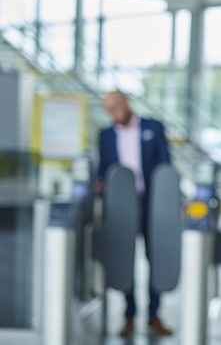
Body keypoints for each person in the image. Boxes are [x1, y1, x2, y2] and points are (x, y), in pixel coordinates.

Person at [95, 90, 173, 337]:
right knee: (124, 259)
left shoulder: (154, 128)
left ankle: (154, 314)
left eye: (116, 107)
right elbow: (103, 169)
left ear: (126, 102)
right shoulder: (105, 135)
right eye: (109, 110)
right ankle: (129, 315)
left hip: (151, 202)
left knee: (156, 257)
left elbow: (165, 165)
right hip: (122, 206)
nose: (114, 114)